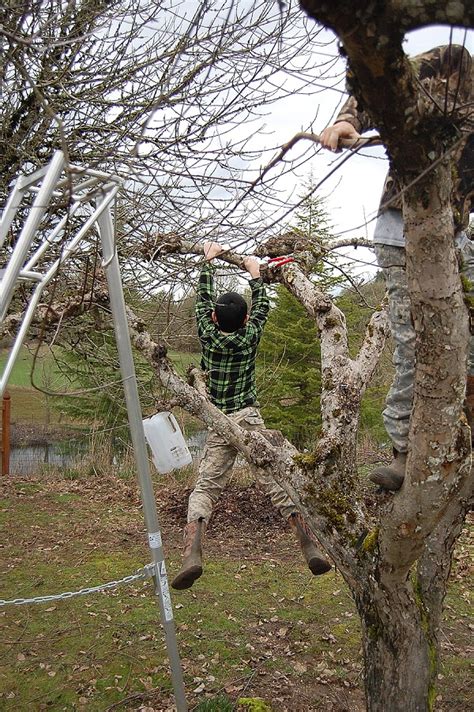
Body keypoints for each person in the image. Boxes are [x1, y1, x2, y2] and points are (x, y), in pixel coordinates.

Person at [320, 44, 474, 491]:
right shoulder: (454, 64)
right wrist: (350, 119)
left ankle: (459, 443)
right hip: (403, 227)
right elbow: (384, 80)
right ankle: (404, 450)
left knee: (464, 340)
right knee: (418, 342)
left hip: (456, 234)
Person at [171, 240, 331, 590]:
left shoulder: (207, 333)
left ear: (213, 318)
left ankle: (192, 550)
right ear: (244, 319)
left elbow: (201, 301)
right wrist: (255, 274)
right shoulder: (251, 334)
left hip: (220, 422)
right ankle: (308, 543)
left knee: (207, 486)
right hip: (248, 419)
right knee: (275, 480)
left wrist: (208, 263)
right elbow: (262, 308)